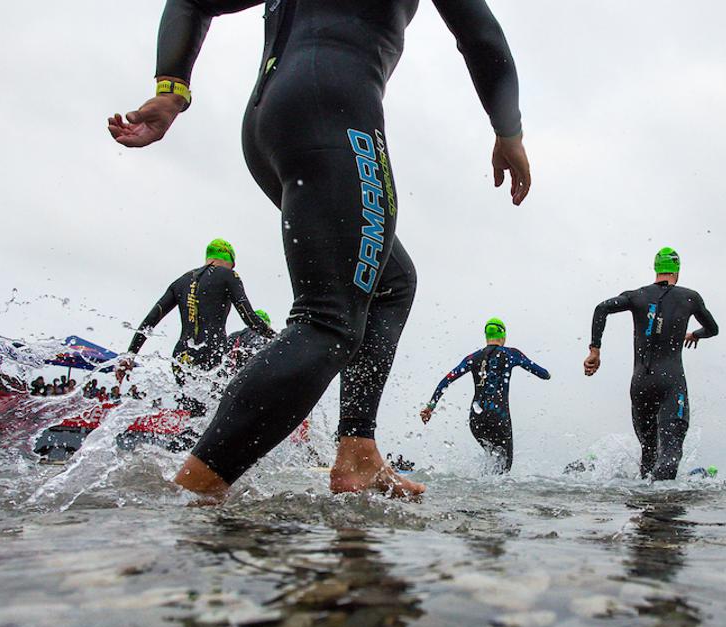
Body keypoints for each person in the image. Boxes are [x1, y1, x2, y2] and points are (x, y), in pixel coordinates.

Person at [109, 0, 530, 499]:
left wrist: (170, 89)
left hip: (270, 121)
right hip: (337, 113)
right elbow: (479, 33)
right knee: (327, 320)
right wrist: (509, 131)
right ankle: (192, 492)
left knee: (392, 281)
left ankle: (358, 452)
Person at [583, 247, 720, 480]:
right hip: (671, 383)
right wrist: (695, 334)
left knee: (649, 453)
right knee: (669, 454)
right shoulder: (690, 297)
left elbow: (602, 308)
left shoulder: (637, 295)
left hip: (641, 384)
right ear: (677, 271)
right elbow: (713, 329)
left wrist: (595, 351)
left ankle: (644, 509)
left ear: (656, 269)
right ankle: (663, 511)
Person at [122, 239, 274, 380]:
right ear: (230, 260)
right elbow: (249, 317)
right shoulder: (229, 275)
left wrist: (130, 354)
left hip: (181, 356)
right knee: (213, 405)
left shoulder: (181, 281)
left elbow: (151, 320)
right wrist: (277, 339)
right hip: (212, 353)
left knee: (189, 405)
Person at [420, 318, 549, 472]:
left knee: (492, 458)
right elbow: (543, 374)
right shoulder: (511, 354)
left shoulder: (473, 358)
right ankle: (492, 495)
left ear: (486, 336)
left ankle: (478, 494)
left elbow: (446, 380)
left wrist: (431, 406)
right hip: (499, 416)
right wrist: (548, 373)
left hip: (476, 418)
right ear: (503, 335)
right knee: (504, 466)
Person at [225, 309, 275, 373]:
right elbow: (257, 348)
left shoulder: (234, 335)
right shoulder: (259, 335)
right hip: (248, 372)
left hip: (231, 373)